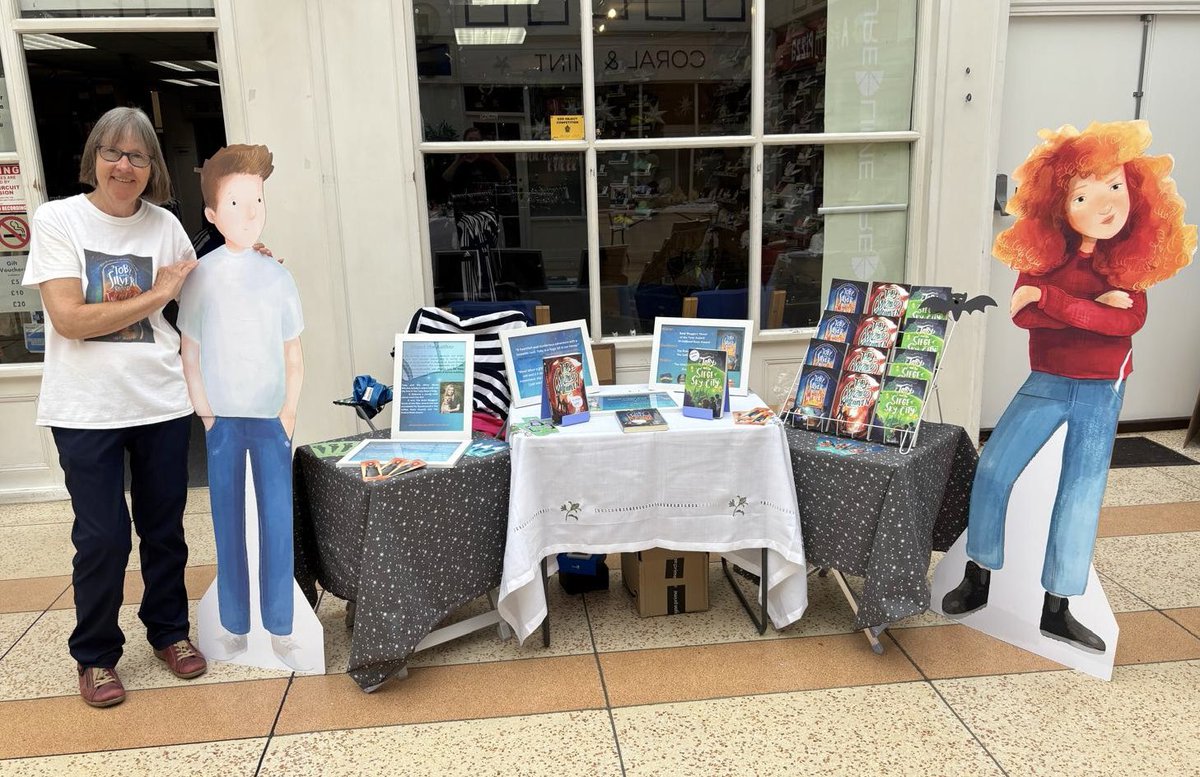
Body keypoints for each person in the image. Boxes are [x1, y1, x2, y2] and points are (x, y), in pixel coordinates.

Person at [942, 121, 1195, 651]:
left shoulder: (1133, 261)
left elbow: (1125, 324)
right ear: (1059, 203)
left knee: (1080, 496)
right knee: (992, 470)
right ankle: (978, 574)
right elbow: (1024, 319)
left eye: (1115, 187)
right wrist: (1086, 308)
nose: (1104, 204)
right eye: (1084, 193)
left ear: (1135, 187)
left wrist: (1053, 303)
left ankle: (1059, 606)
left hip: (1103, 388)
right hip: (1048, 379)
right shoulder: (1042, 254)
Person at [21, 107, 209, 707]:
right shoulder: (59, 220)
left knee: (164, 530)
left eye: (138, 156)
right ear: (93, 159)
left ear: (152, 167)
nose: (124, 166)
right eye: (113, 153)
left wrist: (247, 257)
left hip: (159, 401)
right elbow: (71, 319)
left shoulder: (165, 227)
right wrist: (155, 294)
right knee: (102, 537)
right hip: (86, 408)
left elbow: (202, 296)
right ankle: (97, 655)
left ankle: (169, 632)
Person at [178, 144, 308, 671]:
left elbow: (292, 352)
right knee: (228, 518)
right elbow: (191, 350)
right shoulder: (202, 276)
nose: (250, 212)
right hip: (224, 420)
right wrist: (206, 412)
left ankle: (280, 627)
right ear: (212, 214)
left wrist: (289, 411)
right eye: (235, 202)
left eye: (257, 200)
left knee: (277, 520)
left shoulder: (277, 276)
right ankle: (234, 625)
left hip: (271, 417)